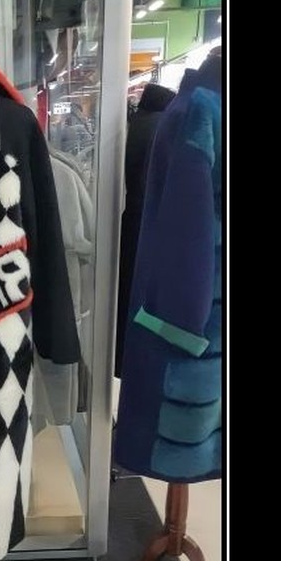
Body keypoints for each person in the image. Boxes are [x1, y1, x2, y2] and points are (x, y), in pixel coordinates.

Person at [115, 82, 176, 377]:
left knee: (125, 295)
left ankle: (120, 360)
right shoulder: (160, 128)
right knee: (137, 298)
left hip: (130, 222)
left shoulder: (138, 124)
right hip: (145, 227)